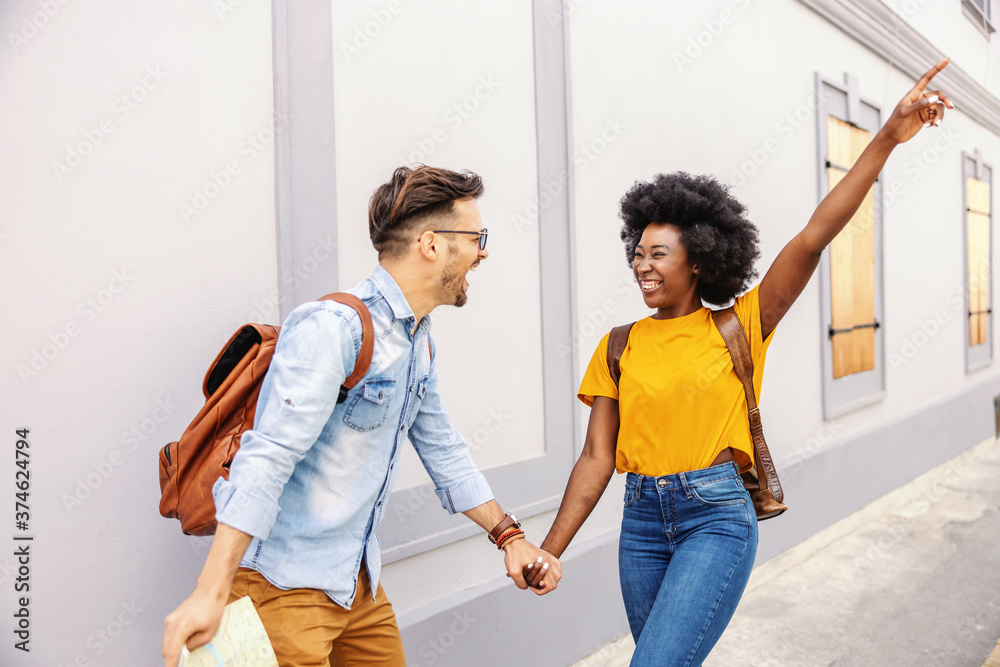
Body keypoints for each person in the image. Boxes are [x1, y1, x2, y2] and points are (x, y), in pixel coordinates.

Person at [538, 60, 953, 665]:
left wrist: (887, 136)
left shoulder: (740, 324)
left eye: (659, 253)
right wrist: (552, 549)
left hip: (716, 519)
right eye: (637, 253)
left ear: (699, 259)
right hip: (642, 526)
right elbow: (597, 457)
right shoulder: (619, 344)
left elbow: (814, 235)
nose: (641, 265)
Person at [162, 165, 561, 667]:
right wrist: (210, 591)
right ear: (432, 244)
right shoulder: (335, 329)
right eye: (477, 237)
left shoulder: (418, 340)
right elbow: (265, 459)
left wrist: (510, 537)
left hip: (359, 587)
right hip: (284, 589)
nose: (484, 251)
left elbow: (443, 448)